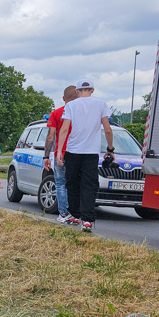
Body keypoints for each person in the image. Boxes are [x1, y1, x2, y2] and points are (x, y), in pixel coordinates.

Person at [55, 79, 114, 233]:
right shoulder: (101, 104)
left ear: (77, 91)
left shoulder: (71, 105)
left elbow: (64, 129)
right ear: (93, 90)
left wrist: (60, 150)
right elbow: (107, 129)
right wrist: (110, 149)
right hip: (91, 152)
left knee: (72, 183)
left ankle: (74, 215)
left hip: (73, 150)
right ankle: (87, 220)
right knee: (89, 185)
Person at [44, 86, 79, 224]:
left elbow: (50, 137)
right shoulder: (83, 114)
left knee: (60, 184)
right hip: (78, 154)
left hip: (61, 154)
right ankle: (76, 213)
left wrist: (46, 156)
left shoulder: (56, 113)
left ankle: (64, 214)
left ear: (64, 99)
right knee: (76, 184)